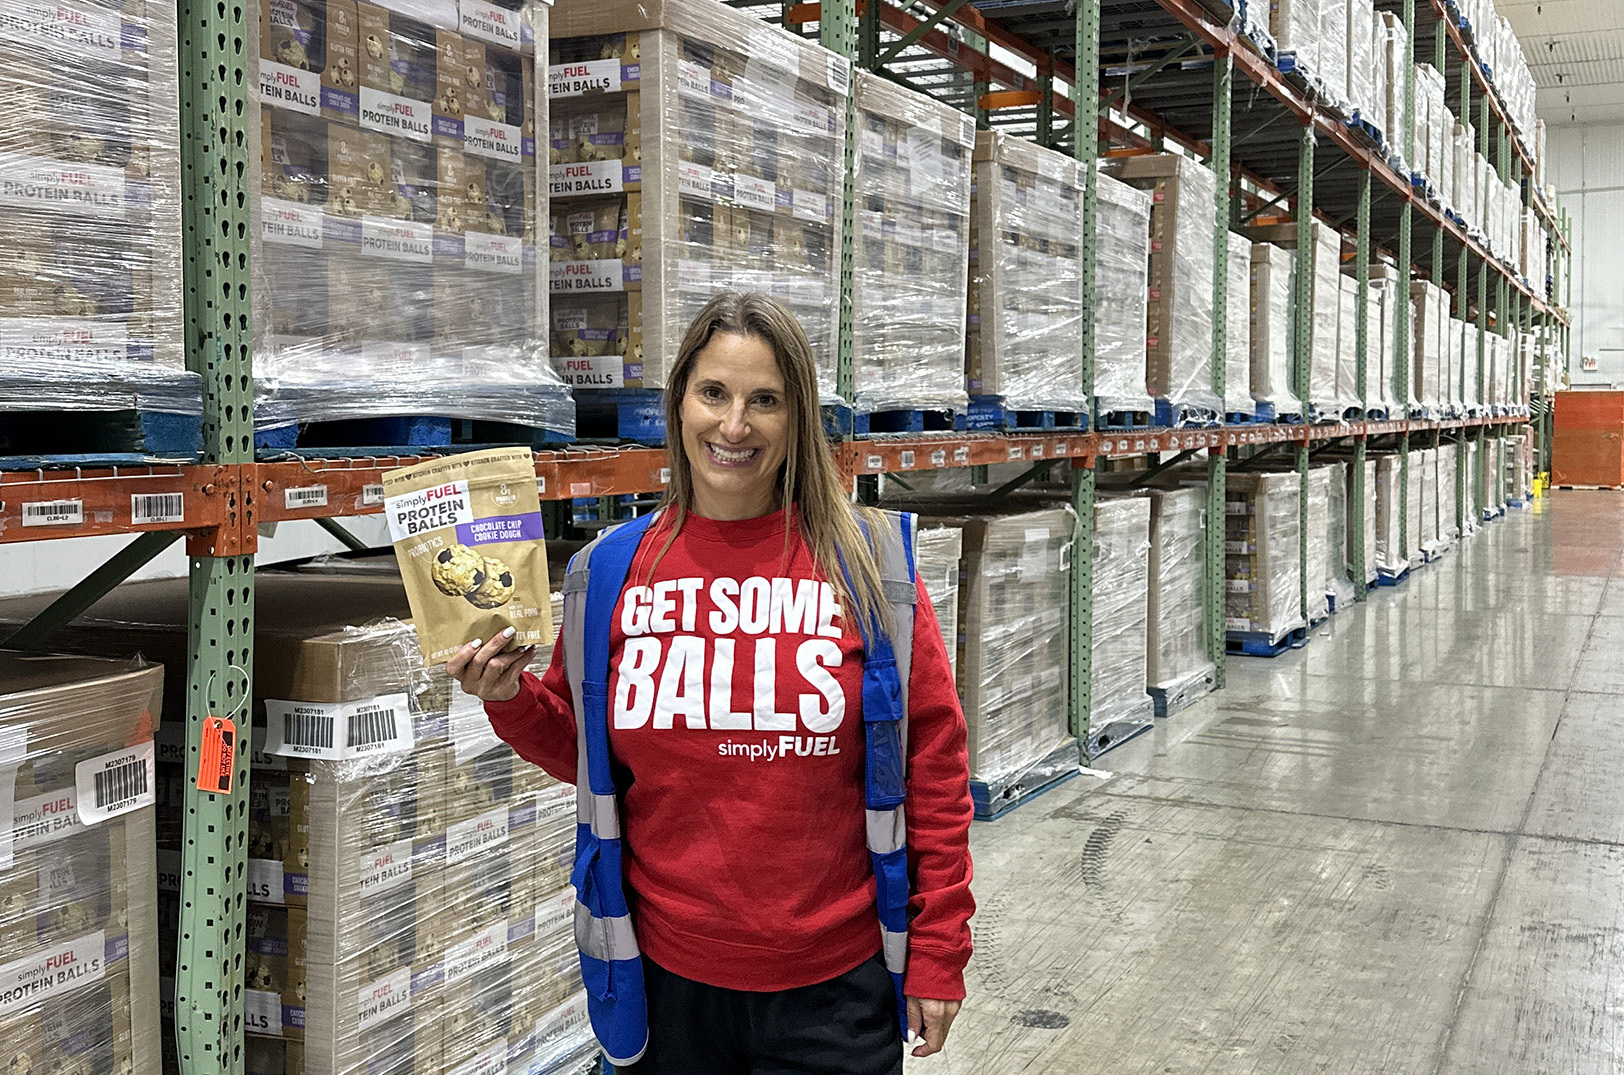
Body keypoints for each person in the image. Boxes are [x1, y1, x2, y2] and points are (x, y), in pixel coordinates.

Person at [448, 290, 974, 1074]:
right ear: (680, 404)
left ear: (797, 419)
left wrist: (939, 948)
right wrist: (508, 699)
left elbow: (934, 763)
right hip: (663, 985)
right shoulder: (612, 570)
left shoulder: (869, 564)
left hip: (833, 989)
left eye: (766, 400)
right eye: (714, 394)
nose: (734, 426)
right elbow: (584, 747)